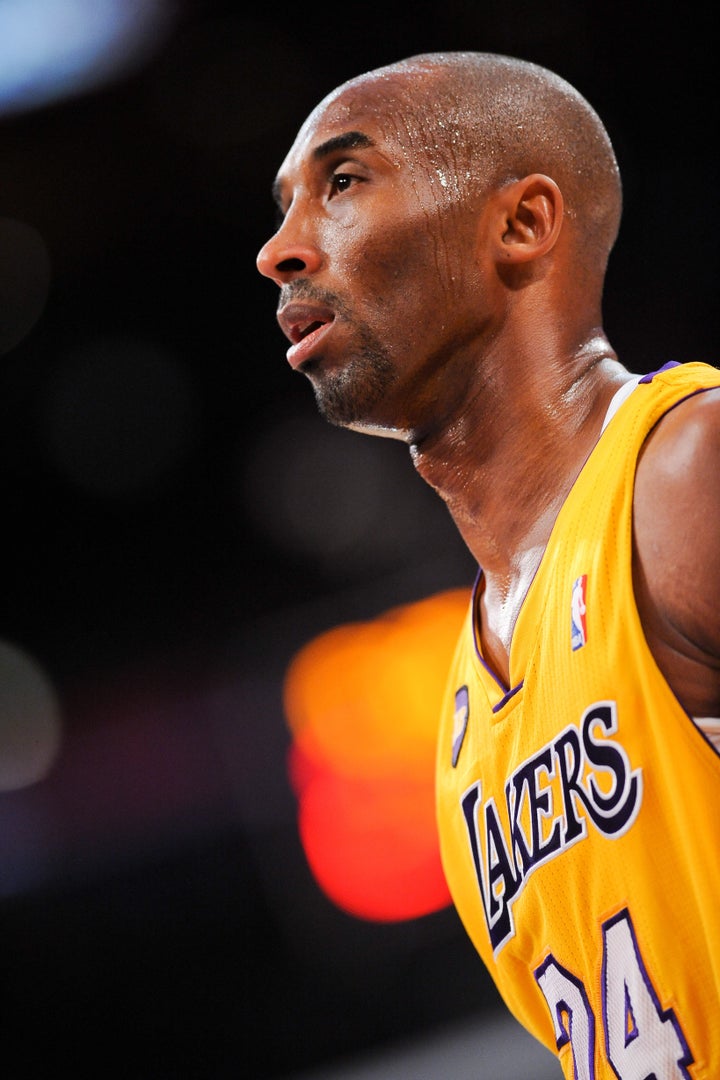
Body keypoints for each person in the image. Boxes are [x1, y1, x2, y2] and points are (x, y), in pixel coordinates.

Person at [256, 51, 720, 1078]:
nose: (279, 252)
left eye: (341, 183)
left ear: (521, 225)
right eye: (283, 207)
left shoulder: (688, 472)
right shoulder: (466, 728)